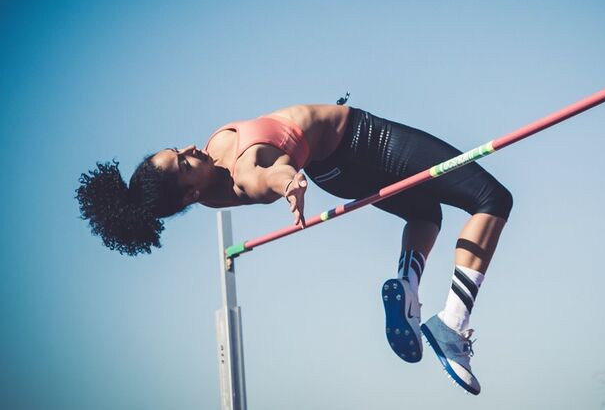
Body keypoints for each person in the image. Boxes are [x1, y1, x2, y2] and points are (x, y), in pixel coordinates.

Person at [76, 103, 512, 395]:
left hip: (335, 173)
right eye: (185, 162)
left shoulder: (207, 189)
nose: (191, 149)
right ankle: (451, 325)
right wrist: (288, 183)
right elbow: (266, 174)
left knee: (425, 213)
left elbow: (266, 167)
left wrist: (291, 175)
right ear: (190, 194)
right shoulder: (243, 173)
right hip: (364, 140)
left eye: (178, 150)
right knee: (492, 199)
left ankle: (408, 288)